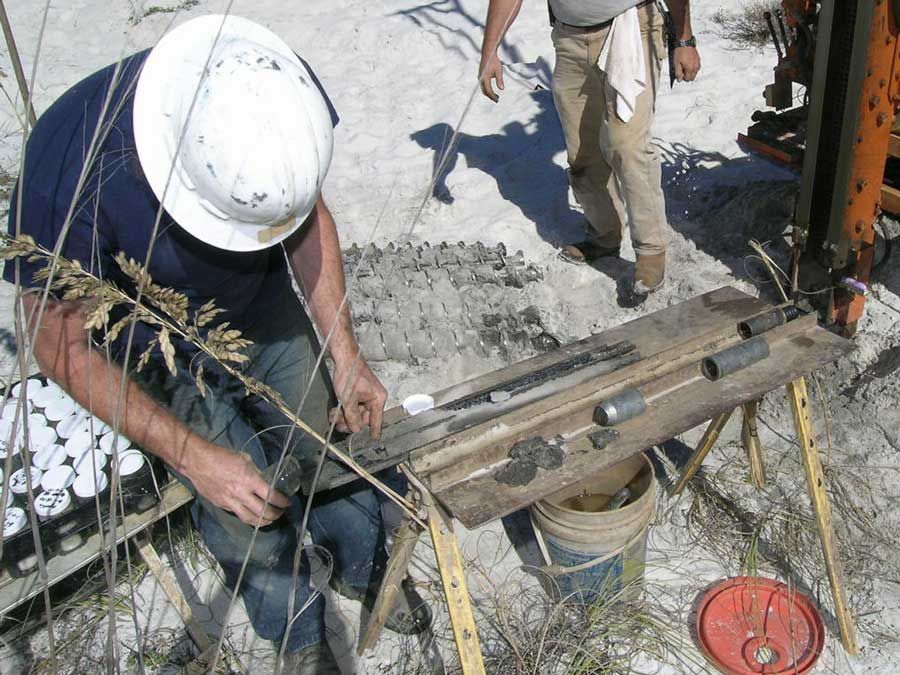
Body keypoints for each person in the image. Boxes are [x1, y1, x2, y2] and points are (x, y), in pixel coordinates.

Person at [5, 15, 429, 673]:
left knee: (324, 436)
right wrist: (194, 456)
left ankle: (365, 567)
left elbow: (308, 217)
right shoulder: (68, 170)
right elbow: (59, 346)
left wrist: (346, 355)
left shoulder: (270, 86)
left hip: (262, 301)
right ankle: (295, 628)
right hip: (156, 344)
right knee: (239, 496)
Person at [479, 0, 701, 295]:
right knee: (583, 153)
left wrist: (684, 40)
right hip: (570, 39)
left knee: (626, 145)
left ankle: (650, 250)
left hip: (632, 29)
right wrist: (490, 51)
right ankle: (604, 235)